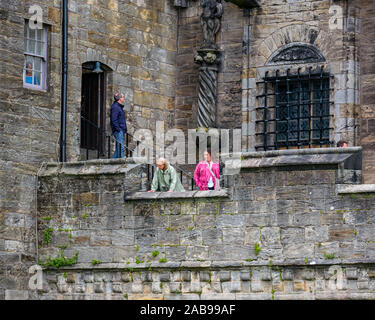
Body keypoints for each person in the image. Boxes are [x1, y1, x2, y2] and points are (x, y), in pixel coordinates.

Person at [110, 93, 127, 158]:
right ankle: (122, 162)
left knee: (118, 149)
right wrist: (118, 129)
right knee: (121, 147)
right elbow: (114, 119)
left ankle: (112, 162)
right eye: (123, 97)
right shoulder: (115, 107)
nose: (123, 98)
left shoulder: (118, 107)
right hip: (118, 130)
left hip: (121, 129)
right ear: (120, 98)